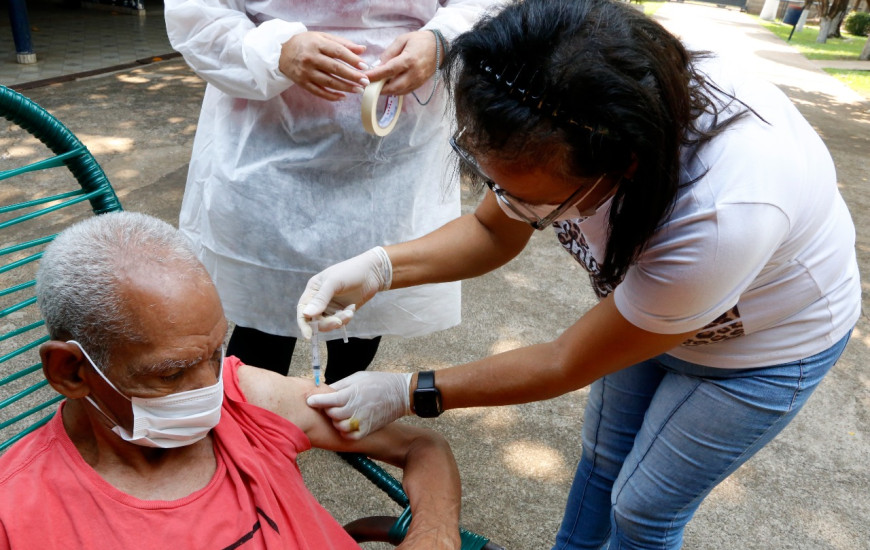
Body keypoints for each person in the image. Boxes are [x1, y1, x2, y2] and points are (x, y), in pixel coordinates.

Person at [296, 0, 861, 548]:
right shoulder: (568, 99)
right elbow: (494, 231)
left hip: (761, 347)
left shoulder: (725, 212)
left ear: (625, 165)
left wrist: (407, 391)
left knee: (643, 510)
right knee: (601, 461)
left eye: (531, 201)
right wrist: (379, 267)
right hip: (657, 308)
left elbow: (567, 360)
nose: (510, 205)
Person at [0, 212, 461, 550]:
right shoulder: (18, 515)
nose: (209, 390)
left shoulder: (246, 396)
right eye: (171, 372)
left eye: (216, 352)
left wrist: (435, 533)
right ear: (71, 372)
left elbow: (422, 447)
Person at [163, 0, 498, 382]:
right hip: (268, 147)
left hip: (394, 153)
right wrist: (276, 50)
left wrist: (441, 40)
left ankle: (344, 399)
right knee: (263, 319)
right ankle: (251, 426)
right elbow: (197, 12)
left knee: (365, 304)